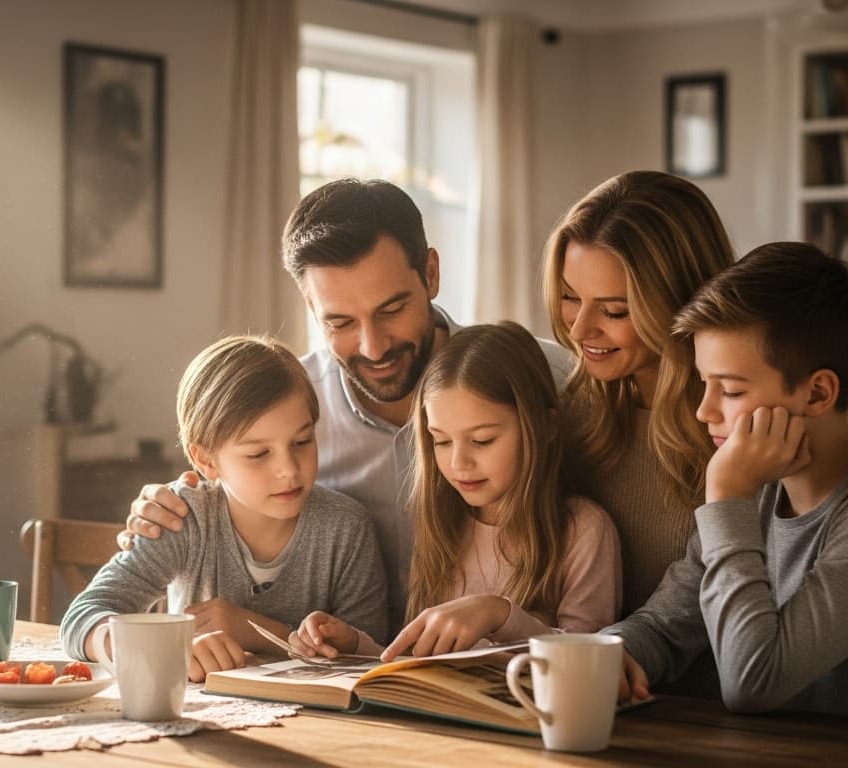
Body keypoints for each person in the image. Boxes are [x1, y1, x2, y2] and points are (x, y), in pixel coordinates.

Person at [125, 179, 573, 631]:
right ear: (310, 305)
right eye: (340, 321)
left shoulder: (548, 380)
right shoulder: (286, 403)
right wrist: (173, 507)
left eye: (391, 309)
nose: (373, 347)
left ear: (431, 274)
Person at [541, 170, 848, 616]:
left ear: (680, 300)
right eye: (568, 296)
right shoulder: (571, 408)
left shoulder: (765, 402)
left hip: (754, 675)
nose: (579, 330)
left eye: (615, 310)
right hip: (625, 669)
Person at [605, 242, 848, 734]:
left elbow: (754, 682)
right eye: (704, 384)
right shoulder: (762, 492)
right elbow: (663, 627)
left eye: (730, 390)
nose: (705, 411)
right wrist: (602, 656)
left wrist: (726, 500)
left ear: (816, 393)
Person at [60, 335, 386, 682]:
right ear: (205, 460)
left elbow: (373, 659)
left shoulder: (346, 528)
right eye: (259, 454)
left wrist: (257, 630)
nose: (289, 469)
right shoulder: (182, 516)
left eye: (302, 441)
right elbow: (82, 617)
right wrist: (164, 647)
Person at [289, 322, 622, 661]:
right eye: (442, 441)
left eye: (482, 440)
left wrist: (498, 614)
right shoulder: (443, 526)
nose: (459, 463)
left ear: (546, 427)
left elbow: (586, 662)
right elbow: (415, 660)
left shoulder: (585, 530)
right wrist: (351, 645)